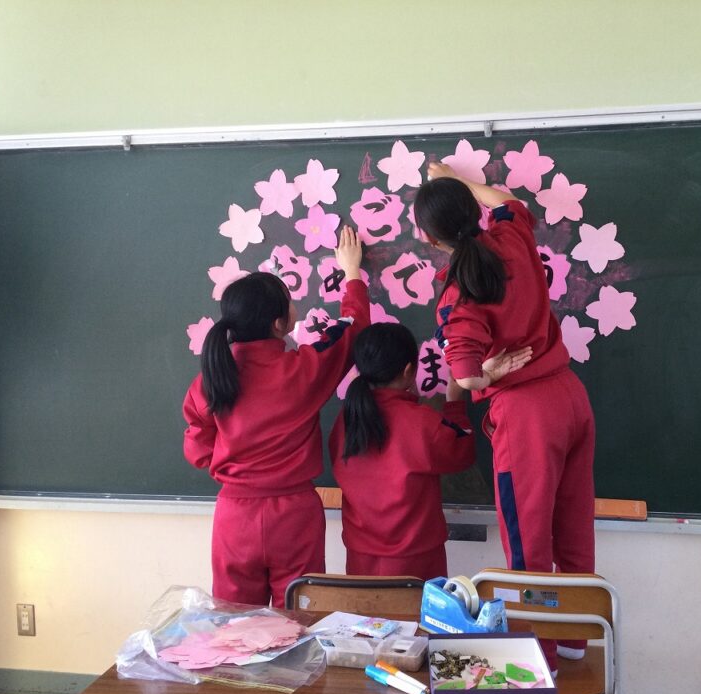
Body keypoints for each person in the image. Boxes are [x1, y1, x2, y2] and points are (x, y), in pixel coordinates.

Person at [414, 163, 596, 666]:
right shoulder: (511, 235)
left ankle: (542, 654)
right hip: (570, 396)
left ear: (429, 240)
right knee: (574, 526)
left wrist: (489, 373)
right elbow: (508, 200)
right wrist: (457, 180)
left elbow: (467, 374)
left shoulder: (458, 293)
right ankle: (575, 639)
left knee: (528, 544)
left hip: (526, 415)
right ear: (474, 212)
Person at [182, 226, 368, 606]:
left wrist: (235, 465)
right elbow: (354, 331)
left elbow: (198, 450)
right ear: (279, 324)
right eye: (290, 301)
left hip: (235, 517)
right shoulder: (303, 370)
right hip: (295, 516)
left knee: (235, 623)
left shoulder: (210, 380)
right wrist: (352, 272)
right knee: (298, 621)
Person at [330, 323, 530, 581]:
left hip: (360, 556)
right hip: (416, 558)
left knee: (369, 609)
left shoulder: (345, 421)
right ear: (408, 371)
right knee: (421, 610)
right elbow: (462, 452)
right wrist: (455, 401)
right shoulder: (421, 422)